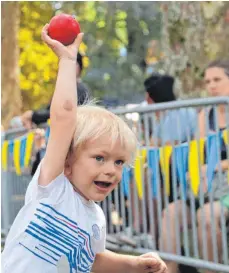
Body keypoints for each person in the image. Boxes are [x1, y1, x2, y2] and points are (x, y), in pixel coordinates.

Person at [1, 24, 167, 273]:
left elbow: (93, 261)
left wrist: (134, 264)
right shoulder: (53, 190)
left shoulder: (96, 219)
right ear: (67, 161)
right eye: (100, 158)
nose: (111, 169)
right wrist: (68, 61)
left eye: (119, 162)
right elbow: (64, 116)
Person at [160, 60, 229, 273]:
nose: (212, 85)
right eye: (208, 81)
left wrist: (215, 167)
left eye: (217, 79)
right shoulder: (205, 114)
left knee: (206, 216)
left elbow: (211, 164)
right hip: (205, 188)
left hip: (225, 188)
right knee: (170, 212)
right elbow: (196, 154)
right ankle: (169, 270)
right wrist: (193, 170)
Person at [20, 52, 90, 129]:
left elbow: (60, 113)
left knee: (17, 123)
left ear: (78, 67)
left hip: (68, 131)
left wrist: (33, 115)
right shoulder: (65, 87)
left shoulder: (79, 89)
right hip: (55, 127)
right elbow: (50, 110)